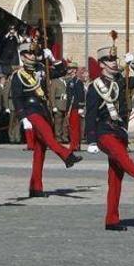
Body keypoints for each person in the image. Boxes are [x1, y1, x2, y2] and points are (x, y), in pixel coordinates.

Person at [85, 41, 134, 230]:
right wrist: (91, 140)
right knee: (123, 157)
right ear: (101, 64)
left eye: (114, 59)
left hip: (120, 132)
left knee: (115, 180)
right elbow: (91, 114)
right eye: (109, 60)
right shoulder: (95, 87)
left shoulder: (121, 80)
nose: (113, 62)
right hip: (105, 132)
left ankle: (111, 220)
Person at [10, 39, 82, 197]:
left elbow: (62, 71)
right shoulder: (18, 76)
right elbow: (16, 98)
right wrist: (23, 117)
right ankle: (66, 156)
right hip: (31, 111)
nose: (33, 56)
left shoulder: (42, 68)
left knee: (39, 152)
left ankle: (36, 187)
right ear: (22, 57)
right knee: (49, 137)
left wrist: (53, 58)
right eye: (29, 53)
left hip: (43, 110)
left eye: (35, 53)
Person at [65, 62, 86, 151]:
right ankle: (73, 144)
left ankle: (76, 145)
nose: (68, 71)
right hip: (70, 107)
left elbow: (81, 95)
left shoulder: (78, 82)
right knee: (71, 127)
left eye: (70, 69)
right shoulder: (70, 81)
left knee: (75, 127)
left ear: (74, 70)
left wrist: (81, 107)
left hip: (75, 107)